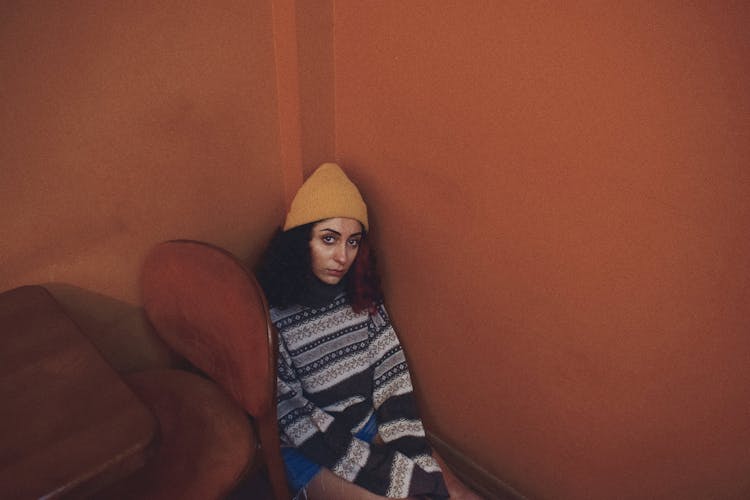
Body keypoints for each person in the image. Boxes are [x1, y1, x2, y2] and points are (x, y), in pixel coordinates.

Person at [257, 163, 480, 500]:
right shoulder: (273, 316)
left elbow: (391, 375)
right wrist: (365, 462)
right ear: (302, 240)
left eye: (353, 242)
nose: (341, 256)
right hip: (310, 449)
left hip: (368, 426)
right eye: (328, 239)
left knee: (455, 491)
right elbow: (290, 412)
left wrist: (397, 442)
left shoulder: (361, 298)